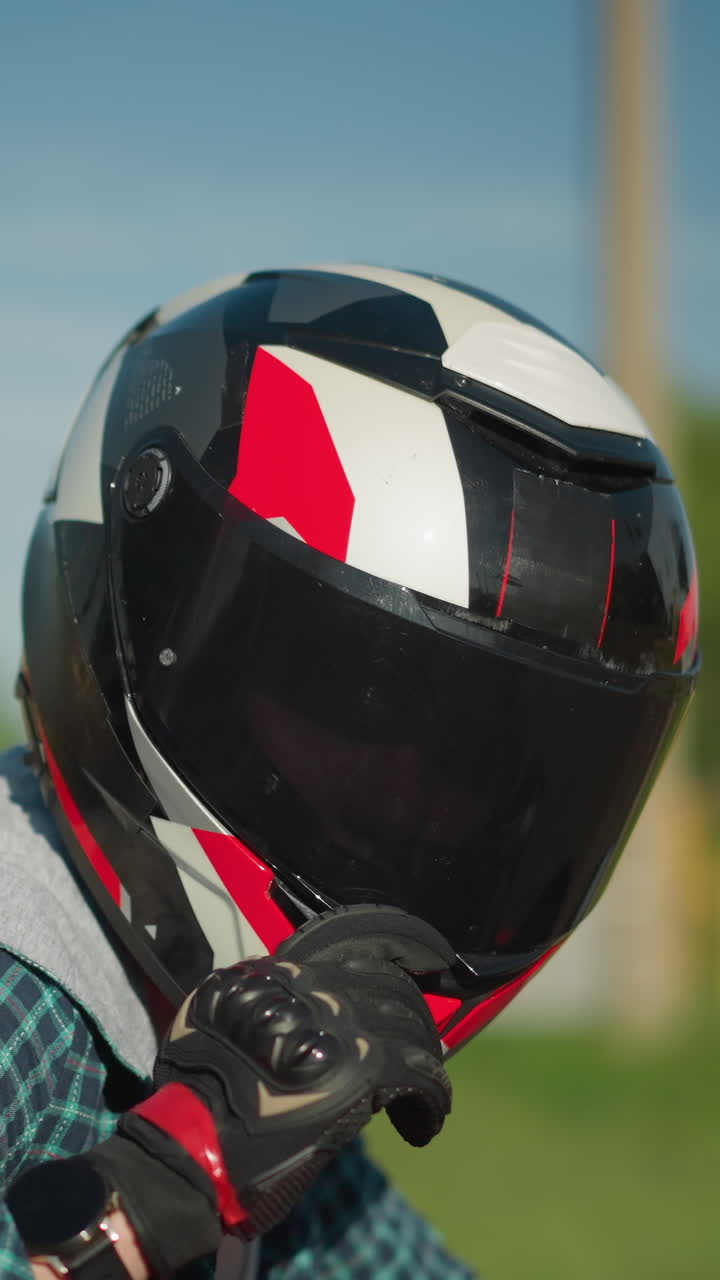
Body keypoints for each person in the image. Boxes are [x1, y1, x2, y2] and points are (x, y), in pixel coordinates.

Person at [1, 265, 699, 1279]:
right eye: (356, 698)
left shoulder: (249, 1061)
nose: (420, 797)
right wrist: (169, 1187)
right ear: (140, 627)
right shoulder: (30, 982)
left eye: (484, 758)